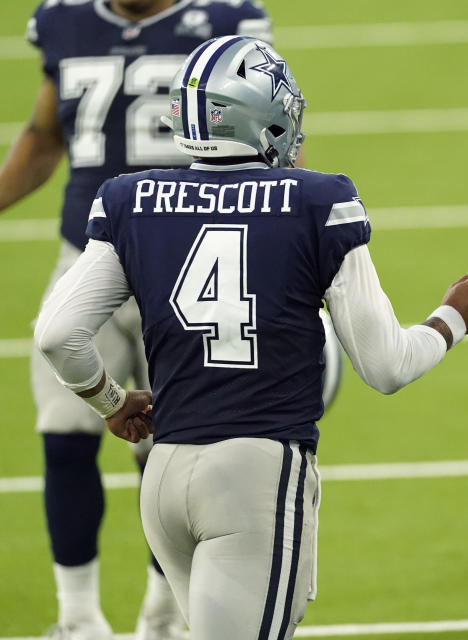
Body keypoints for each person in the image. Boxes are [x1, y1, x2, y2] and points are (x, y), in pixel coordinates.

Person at [33, 35, 468, 640]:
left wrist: (113, 404)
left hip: (164, 476)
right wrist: (453, 317)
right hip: (255, 476)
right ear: (263, 117)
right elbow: (387, 367)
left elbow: (58, 334)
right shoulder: (319, 200)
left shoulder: (128, 198)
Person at [0, 2, 294, 638]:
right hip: (87, 257)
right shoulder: (63, 21)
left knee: (179, 435)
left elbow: (269, 133)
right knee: (64, 427)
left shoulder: (226, 18)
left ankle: (164, 614)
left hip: (192, 259)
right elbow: (45, 135)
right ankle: (78, 617)